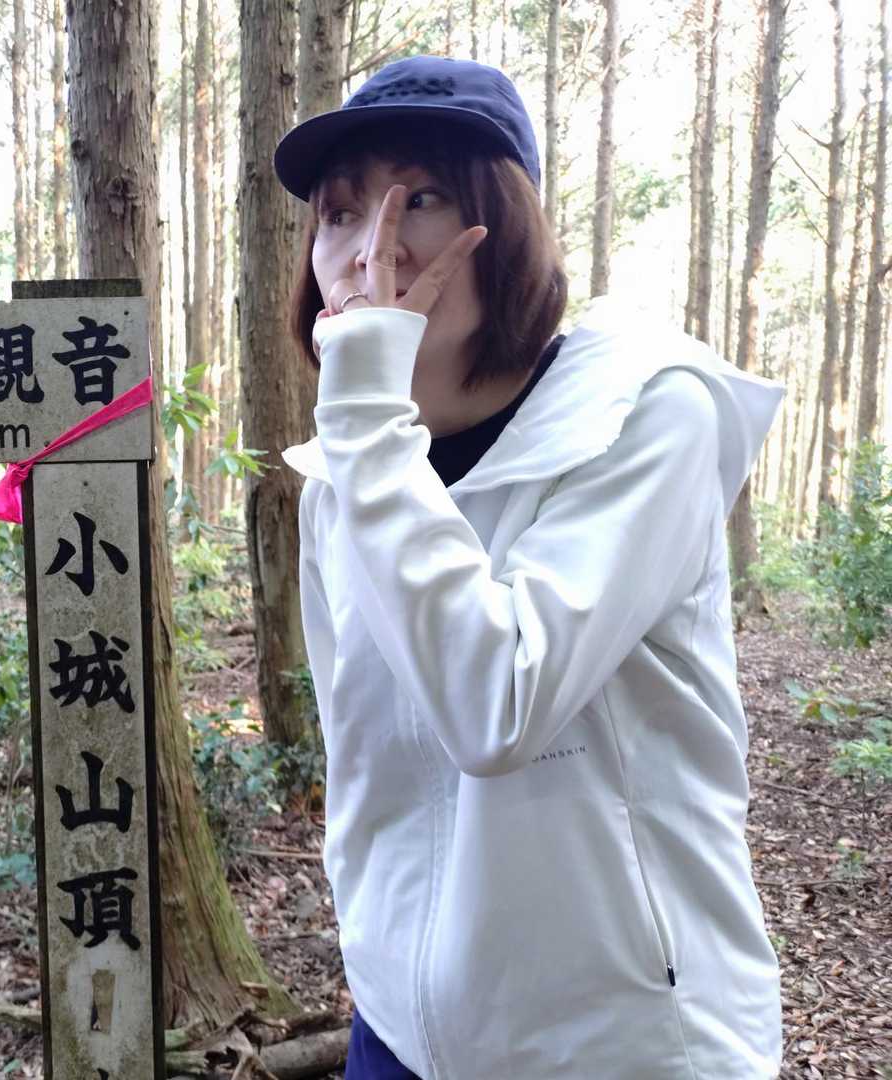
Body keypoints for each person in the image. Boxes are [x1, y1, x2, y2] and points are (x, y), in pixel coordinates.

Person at [274, 56, 785, 1079]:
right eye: (340, 212)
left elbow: (495, 707)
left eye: (422, 198)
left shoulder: (647, 415)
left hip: (618, 1044)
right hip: (401, 1030)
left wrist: (365, 410)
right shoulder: (342, 478)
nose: (374, 247)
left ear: (504, 227)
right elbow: (366, 762)